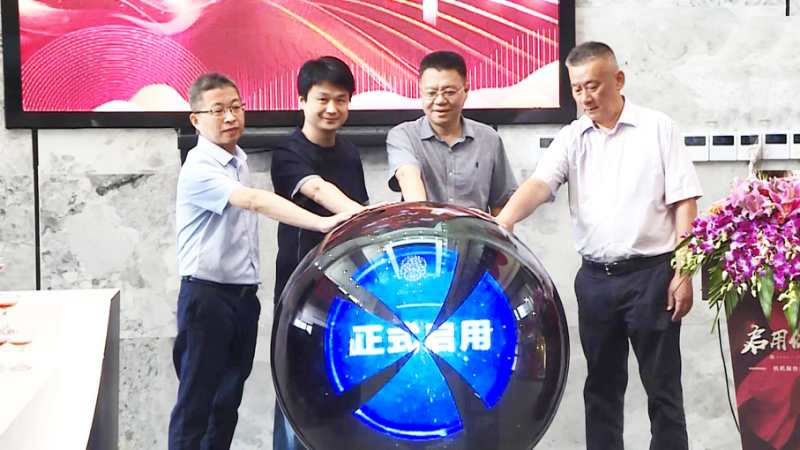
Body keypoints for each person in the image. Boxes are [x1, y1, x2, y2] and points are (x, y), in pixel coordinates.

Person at [495, 42, 701, 450]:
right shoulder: (573, 137)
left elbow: (685, 201)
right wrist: (505, 220)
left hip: (652, 277)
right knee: (602, 388)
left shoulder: (658, 128)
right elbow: (540, 184)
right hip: (595, 281)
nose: (585, 97)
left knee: (662, 387)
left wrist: (684, 271)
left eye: (593, 85)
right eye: (577, 89)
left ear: (618, 80)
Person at [169, 72, 350, 450]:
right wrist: (321, 222)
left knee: (226, 402)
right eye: (218, 110)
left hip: (242, 298)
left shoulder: (237, 159)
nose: (230, 117)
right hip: (207, 297)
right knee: (196, 403)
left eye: (236, 107)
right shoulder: (200, 166)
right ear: (196, 119)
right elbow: (253, 201)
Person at [270, 56, 369, 450]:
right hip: (300, 288)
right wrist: (369, 216)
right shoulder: (287, 150)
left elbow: (359, 217)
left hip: (346, 291)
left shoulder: (350, 153)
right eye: (322, 99)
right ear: (302, 101)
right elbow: (318, 191)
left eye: (341, 100)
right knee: (296, 388)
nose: (332, 108)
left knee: (346, 386)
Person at [387, 50, 517, 214]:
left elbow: (501, 202)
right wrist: (424, 213)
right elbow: (407, 176)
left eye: (449, 92)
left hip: (474, 230)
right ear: (420, 92)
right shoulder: (403, 135)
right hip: (424, 227)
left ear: (466, 90)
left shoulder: (489, 139)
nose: (440, 100)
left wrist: (501, 227)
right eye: (431, 93)